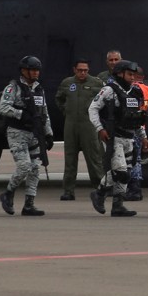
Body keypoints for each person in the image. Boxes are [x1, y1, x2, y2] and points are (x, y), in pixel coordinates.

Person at [89, 59, 148, 217]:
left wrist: (143, 137)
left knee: (127, 173)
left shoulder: (135, 92)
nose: (132, 77)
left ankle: (118, 205)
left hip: (129, 137)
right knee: (120, 171)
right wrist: (100, 129)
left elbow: (136, 118)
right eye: (129, 74)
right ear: (120, 74)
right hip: (113, 137)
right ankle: (99, 193)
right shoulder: (109, 90)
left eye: (133, 75)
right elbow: (93, 108)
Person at [0, 55, 54, 217]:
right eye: (32, 70)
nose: (36, 73)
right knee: (24, 166)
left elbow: (44, 113)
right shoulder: (13, 88)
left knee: (35, 168)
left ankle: (29, 204)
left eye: (37, 70)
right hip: (17, 133)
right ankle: (8, 193)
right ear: (23, 71)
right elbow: (4, 107)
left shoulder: (39, 89)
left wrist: (48, 133)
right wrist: (21, 114)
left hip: (34, 133)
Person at [54, 58, 104, 200]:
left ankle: (99, 189)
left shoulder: (96, 83)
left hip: (88, 125)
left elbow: (105, 101)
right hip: (70, 124)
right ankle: (68, 191)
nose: (83, 73)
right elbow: (59, 99)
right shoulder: (67, 83)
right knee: (70, 159)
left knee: (94, 158)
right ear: (74, 70)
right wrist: (66, 111)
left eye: (85, 70)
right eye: (80, 70)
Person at [125, 70, 148, 202]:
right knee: (137, 159)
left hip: (133, 127)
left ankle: (133, 188)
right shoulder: (147, 88)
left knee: (131, 159)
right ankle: (136, 188)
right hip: (141, 126)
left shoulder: (134, 90)